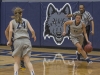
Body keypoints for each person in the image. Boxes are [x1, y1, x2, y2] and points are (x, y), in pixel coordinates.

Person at [7, 7, 36, 75]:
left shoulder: (12, 21)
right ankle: (32, 73)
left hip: (17, 41)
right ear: (21, 14)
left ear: (15, 14)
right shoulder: (26, 21)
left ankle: (16, 73)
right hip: (26, 41)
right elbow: (32, 30)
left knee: (17, 62)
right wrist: (33, 35)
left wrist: (9, 41)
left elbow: (10, 30)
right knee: (28, 61)